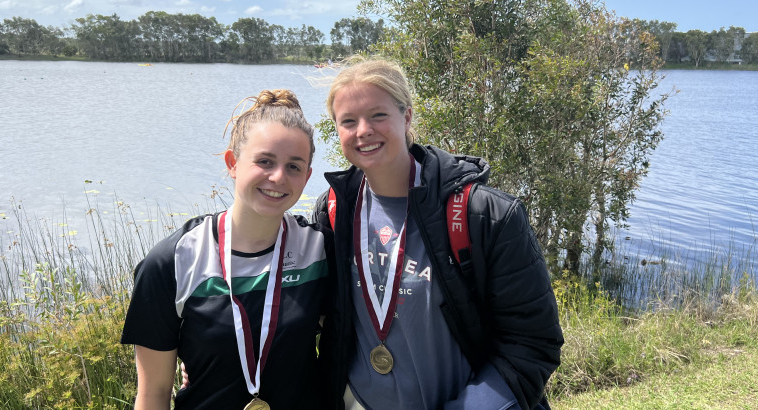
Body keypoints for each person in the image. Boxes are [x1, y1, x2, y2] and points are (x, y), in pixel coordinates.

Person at [312, 58, 564, 410]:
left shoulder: (487, 216)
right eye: (348, 121)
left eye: (378, 115)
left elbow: (533, 343)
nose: (363, 130)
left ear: (408, 117)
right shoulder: (334, 210)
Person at [121, 89, 333, 409]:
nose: (278, 177)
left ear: (307, 177)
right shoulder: (172, 262)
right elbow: (153, 395)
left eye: (294, 166)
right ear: (232, 163)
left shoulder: (320, 250)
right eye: (264, 161)